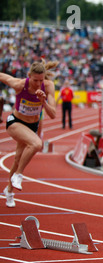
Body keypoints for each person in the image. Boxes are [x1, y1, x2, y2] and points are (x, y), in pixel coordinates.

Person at [0, 59, 58, 208]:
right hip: (15, 122)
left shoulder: (49, 87)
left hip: (31, 126)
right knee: (37, 144)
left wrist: (43, 101)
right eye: (35, 80)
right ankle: (18, 175)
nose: (38, 84)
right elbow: (4, 77)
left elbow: (53, 114)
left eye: (41, 80)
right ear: (28, 76)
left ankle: (9, 191)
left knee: (18, 158)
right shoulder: (20, 85)